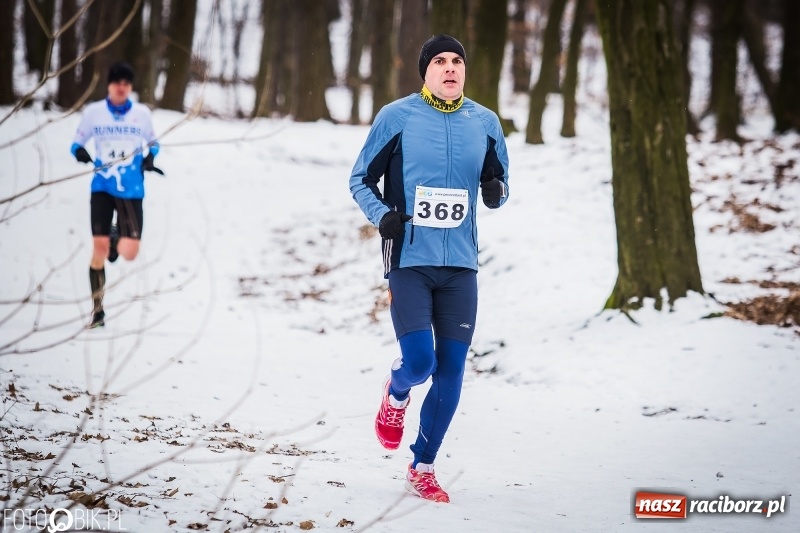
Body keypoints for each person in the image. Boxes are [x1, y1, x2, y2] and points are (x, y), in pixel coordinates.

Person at [348, 34, 510, 503]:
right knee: (420, 362)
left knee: (453, 370)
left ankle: (422, 464)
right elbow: (360, 179)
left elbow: (500, 181)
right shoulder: (396, 117)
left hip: (461, 264)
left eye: (457, 60)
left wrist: (496, 192)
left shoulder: (485, 122)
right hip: (411, 260)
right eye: (439, 61)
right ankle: (396, 394)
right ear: (425, 71)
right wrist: (384, 216)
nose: (449, 67)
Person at [71, 61, 162, 329]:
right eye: (117, 83)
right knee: (99, 250)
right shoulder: (94, 113)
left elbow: (154, 144)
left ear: (130, 87)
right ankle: (97, 311)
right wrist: (80, 152)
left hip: (132, 189)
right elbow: (77, 143)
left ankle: (115, 239)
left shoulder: (142, 114)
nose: (121, 88)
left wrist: (149, 158)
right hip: (102, 186)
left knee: (129, 252)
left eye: (126, 83)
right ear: (109, 85)